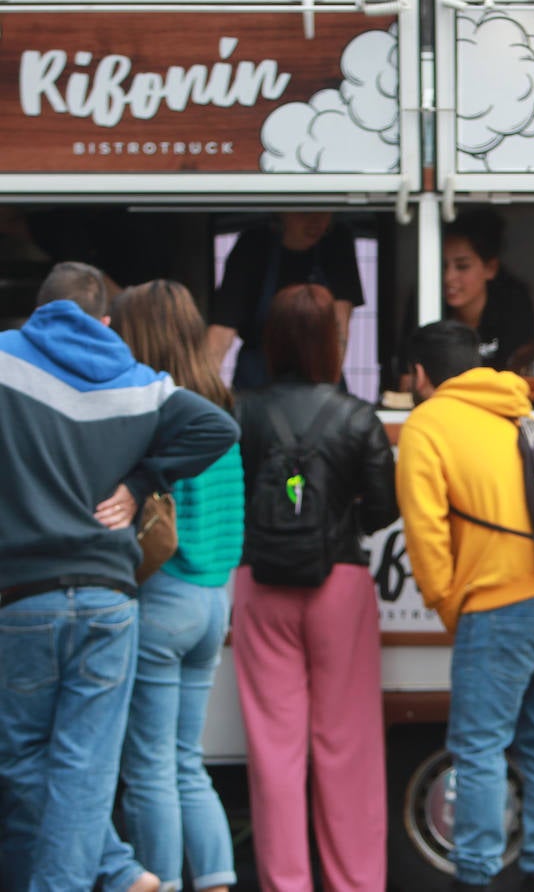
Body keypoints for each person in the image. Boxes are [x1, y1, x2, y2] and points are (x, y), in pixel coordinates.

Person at [0, 262, 238, 892]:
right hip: (126, 599)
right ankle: (130, 872)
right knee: (97, 767)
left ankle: (119, 869)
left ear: (36, 312)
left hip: (23, 596)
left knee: (27, 758)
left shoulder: (4, 360)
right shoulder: (142, 384)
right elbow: (221, 427)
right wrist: (141, 483)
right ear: (104, 322)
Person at [396, 320, 534, 891]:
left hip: (501, 602)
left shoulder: (428, 422)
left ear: (422, 375)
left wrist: (450, 605)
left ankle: (475, 875)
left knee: (479, 745)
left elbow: (425, 530)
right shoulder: (518, 411)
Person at [231, 283, 397, 891]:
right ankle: (355, 882)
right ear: (333, 340)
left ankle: (286, 883)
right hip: (340, 584)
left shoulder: (239, 409)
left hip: (260, 581)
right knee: (345, 743)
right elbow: (384, 508)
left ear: (269, 340)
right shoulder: (356, 416)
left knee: (274, 749)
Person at [109, 280, 242, 892]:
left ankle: (157, 884)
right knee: (187, 763)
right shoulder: (221, 403)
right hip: (213, 600)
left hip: (164, 598)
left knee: (149, 769)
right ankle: (216, 881)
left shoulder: (158, 413)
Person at [208, 212, 364, 390]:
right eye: (304, 212)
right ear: (282, 211)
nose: (316, 221)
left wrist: (329, 387)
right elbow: (221, 332)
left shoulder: (337, 241)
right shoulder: (252, 245)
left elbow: (340, 322)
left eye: (324, 210)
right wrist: (201, 390)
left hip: (320, 374)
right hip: (258, 377)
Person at [441, 207, 534, 369]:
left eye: (462, 266)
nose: (448, 277)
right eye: (442, 266)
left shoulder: (513, 307)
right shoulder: (425, 301)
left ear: (490, 268)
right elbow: (408, 381)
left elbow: (518, 379)